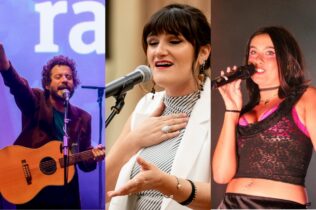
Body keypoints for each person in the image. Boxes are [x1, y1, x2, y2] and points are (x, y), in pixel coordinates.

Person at [106, 3, 211, 210]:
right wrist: (134, 140)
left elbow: (231, 195)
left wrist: (168, 184)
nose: (159, 51)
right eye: (153, 43)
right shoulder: (145, 106)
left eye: (174, 41)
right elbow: (102, 190)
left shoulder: (221, 108)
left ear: (203, 52)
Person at [212, 26, 316, 209]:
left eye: (270, 52)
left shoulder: (307, 97)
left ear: (288, 60)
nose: (257, 59)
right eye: (253, 52)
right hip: (229, 204)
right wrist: (231, 110)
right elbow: (221, 175)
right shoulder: (243, 111)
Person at [0, 43, 105, 209]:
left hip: (66, 195)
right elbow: (19, 87)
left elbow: (85, 164)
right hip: (33, 190)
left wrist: (94, 156)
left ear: (74, 83)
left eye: (68, 77)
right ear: (47, 85)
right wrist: (6, 67)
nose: (64, 80)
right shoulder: (36, 100)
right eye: (58, 77)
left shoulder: (83, 118)